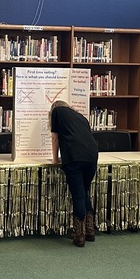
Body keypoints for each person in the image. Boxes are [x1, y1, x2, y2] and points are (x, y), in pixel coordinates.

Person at [49, 101, 99, 248]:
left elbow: (55, 138)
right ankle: (90, 230)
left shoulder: (57, 112)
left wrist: (54, 159)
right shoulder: (81, 117)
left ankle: (79, 235)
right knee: (84, 192)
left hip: (74, 156)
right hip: (92, 156)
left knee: (78, 195)